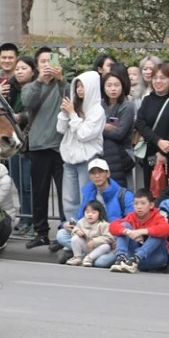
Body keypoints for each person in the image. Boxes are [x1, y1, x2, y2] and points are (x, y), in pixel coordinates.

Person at [22, 47, 67, 248]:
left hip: (61, 147)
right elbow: (27, 102)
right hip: (38, 146)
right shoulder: (30, 86)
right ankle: (41, 232)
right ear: (37, 65)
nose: (47, 65)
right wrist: (40, 80)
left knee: (64, 192)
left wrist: (61, 79)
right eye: (42, 61)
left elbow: (71, 100)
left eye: (51, 60)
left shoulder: (64, 85)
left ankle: (65, 231)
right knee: (39, 193)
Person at [53, 158, 133, 258]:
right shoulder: (88, 192)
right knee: (61, 234)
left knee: (102, 262)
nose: (97, 176)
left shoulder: (124, 194)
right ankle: (89, 254)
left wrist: (118, 239)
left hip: (110, 238)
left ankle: (80, 253)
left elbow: (131, 222)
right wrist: (65, 224)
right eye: (93, 173)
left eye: (100, 172)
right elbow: (80, 218)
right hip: (90, 234)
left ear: (108, 174)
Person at [57, 70, 104, 224]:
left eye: (82, 86)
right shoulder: (74, 107)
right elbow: (60, 129)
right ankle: (72, 231)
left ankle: (88, 230)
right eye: (77, 86)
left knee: (87, 197)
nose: (79, 90)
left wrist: (72, 114)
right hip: (69, 159)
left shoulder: (97, 110)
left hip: (88, 160)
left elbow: (84, 134)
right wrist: (65, 113)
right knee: (69, 199)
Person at [135, 64, 169, 189]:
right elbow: (141, 123)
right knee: (152, 186)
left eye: (163, 78)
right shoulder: (147, 100)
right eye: (155, 77)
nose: (158, 81)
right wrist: (158, 142)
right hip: (152, 152)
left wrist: (165, 148)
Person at [107, 188, 169, 273]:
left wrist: (142, 232)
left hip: (155, 259)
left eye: (143, 203)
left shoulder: (157, 217)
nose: (139, 207)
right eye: (136, 203)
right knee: (124, 226)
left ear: (151, 205)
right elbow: (112, 226)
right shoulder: (131, 216)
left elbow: (167, 229)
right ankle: (121, 258)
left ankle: (136, 258)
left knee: (158, 233)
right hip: (132, 257)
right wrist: (127, 232)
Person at [101, 69, 135, 188]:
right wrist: (104, 127)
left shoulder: (127, 106)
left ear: (122, 86)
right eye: (109, 85)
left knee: (123, 191)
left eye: (116, 85)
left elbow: (120, 133)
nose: (113, 89)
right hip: (104, 153)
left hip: (122, 153)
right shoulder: (101, 105)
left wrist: (99, 128)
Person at [66, 200, 115, 267]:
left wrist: (95, 241)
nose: (90, 215)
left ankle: (89, 258)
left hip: (98, 248)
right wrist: (77, 231)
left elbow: (109, 237)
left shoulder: (103, 224)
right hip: (86, 245)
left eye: (93, 212)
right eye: (87, 212)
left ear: (100, 213)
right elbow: (75, 227)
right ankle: (77, 257)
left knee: (106, 246)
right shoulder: (81, 221)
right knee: (75, 239)